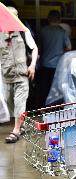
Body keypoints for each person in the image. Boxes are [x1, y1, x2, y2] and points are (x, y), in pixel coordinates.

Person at [0, 7, 38, 143]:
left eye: (15, 16)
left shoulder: (23, 32)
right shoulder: (0, 34)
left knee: (19, 103)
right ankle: (21, 126)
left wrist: (32, 65)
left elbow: (34, 48)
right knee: (10, 103)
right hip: (6, 77)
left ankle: (16, 131)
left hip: (22, 76)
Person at [37, 10, 71, 108]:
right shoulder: (62, 32)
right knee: (56, 89)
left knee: (44, 88)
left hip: (44, 64)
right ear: (60, 19)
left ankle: (42, 108)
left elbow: (39, 48)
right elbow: (69, 47)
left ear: (48, 19)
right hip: (57, 65)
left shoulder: (42, 31)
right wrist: (60, 51)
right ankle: (54, 108)